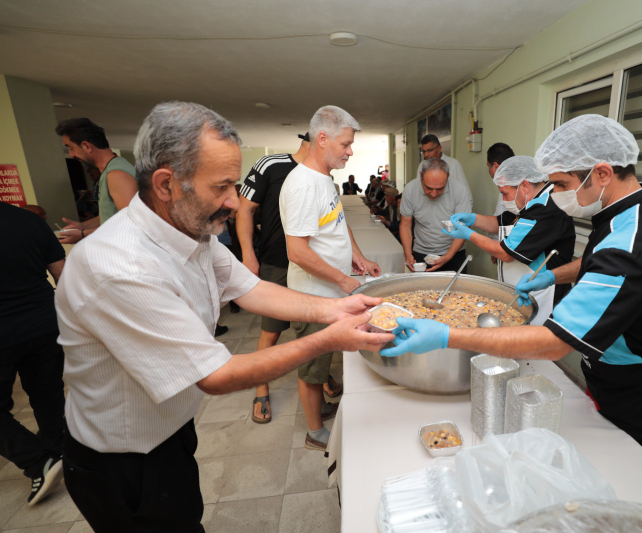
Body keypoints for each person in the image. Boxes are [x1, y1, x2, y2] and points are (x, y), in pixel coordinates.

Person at [56, 101, 393, 532]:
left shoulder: (189, 230)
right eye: (222, 187)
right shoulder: (120, 267)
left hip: (170, 430)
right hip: (122, 459)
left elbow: (252, 289)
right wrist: (329, 337)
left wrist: (335, 308)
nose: (235, 202)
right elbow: (214, 375)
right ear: (166, 184)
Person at [384, 115, 642, 462]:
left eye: (561, 184)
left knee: (624, 478)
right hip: (616, 378)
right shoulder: (640, 212)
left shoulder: (634, 239)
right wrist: (553, 276)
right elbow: (596, 261)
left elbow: (555, 342)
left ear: (601, 174)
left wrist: (448, 335)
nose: (554, 194)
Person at [280, 105, 382, 452]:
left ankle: (320, 408)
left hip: (329, 293)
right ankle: (314, 431)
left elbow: (338, 223)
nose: (350, 152)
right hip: (313, 297)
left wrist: (358, 257)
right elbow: (297, 252)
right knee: (311, 366)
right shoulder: (302, 185)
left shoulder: (324, 179)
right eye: (345, 144)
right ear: (322, 139)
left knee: (324, 360)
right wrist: (342, 280)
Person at [237, 133, 323, 423]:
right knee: (271, 331)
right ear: (317, 140)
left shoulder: (321, 175)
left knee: (316, 329)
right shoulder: (271, 165)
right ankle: (261, 387)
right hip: (277, 263)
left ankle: (321, 379)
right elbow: (245, 210)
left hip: (312, 265)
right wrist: (249, 255)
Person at [444, 156, 575, 323]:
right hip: (523, 290)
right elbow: (499, 223)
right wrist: (472, 219)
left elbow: (506, 253)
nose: (504, 200)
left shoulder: (546, 208)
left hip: (543, 295)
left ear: (525, 186)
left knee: (534, 341)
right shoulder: (530, 202)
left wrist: (469, 235)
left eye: (505, 194)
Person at [0, 202, 66, 506]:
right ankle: (61, 453)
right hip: (44, 323)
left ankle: (38, 460)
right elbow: (61, 274)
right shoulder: (30, 220)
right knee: (48, 394)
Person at [54, 118, 138, 244]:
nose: (71, 155)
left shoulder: (117, 174)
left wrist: (83, 234)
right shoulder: (110, 171)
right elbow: (110, 215)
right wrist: (83, 226)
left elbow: (132, 222)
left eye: (71, 148)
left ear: (87, 146)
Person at [400, 158, 473, 272]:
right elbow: (405, 224)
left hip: (454, 253)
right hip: (420, 254)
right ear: (420, 176)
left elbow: (464, 226)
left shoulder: (460, 191)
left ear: (448, 177)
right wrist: (408, 254)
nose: (434, 194)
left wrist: (448, 256)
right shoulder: (410, 190)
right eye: (428, 188)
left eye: (440, 189)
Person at [416, 134, 472, 204]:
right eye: (424, 151)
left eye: (429, 150)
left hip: (448, 211)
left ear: (439, 149)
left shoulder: (452, 164)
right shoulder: (422, 165)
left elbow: (466, 194)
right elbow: (418, 190)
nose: (426, 154)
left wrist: (464, 213)